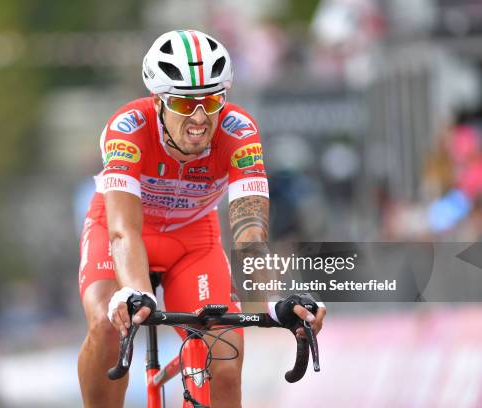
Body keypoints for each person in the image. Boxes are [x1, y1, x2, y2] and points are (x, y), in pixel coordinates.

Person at [77, 29, 326, 407]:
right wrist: (133, 291)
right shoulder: (127, 128)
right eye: (183, 104)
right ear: (159, 101)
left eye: (211, 101)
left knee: (225, 356)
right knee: (107, 326)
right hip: (126, 233)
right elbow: (123, 231)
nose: (199, 117)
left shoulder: (239, 132)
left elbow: (249, 234)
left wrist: (272, 298)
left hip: (192, 240)